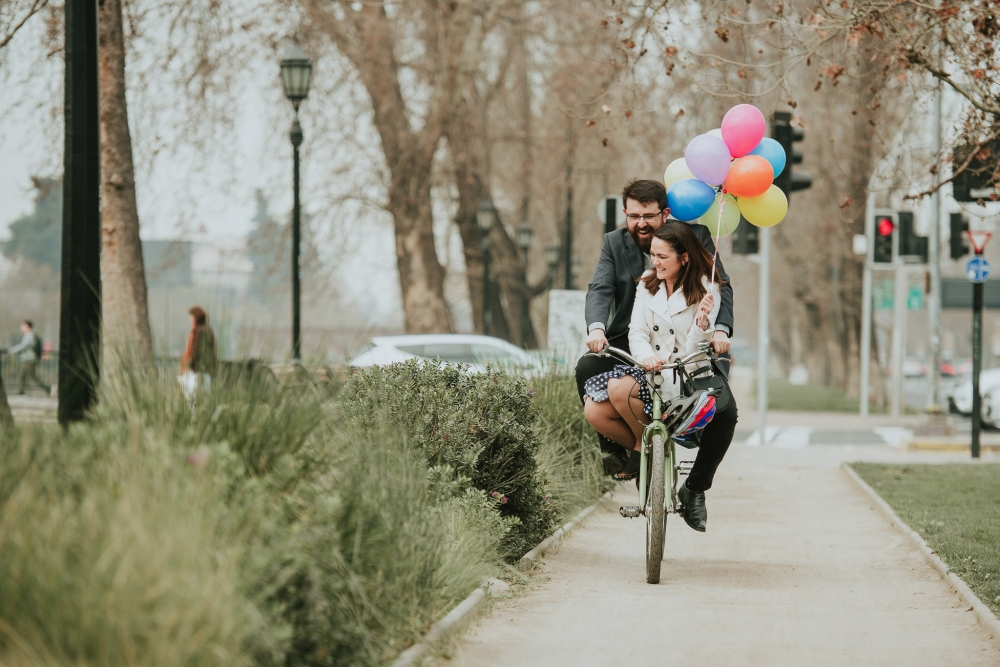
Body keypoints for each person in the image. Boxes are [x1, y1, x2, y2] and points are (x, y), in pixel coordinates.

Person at [583, 222, 738, 532]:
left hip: (689, 370)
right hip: (651, 370)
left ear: (684, 257)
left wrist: (703, 323)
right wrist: (647, 358)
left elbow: (697, 346)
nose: (655, 262)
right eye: (652, 255)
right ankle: (646, 450)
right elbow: (637, 331)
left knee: (727, 413)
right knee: (596, 408)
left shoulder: (709, 287)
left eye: (662, 256)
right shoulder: (647, 283)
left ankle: (694, 488)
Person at [576, 179, 734, 476]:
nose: (641, 223)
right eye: (634, 216)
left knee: (726, 412)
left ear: (666, 214)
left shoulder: (695, 236)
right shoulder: (614, 242)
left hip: (688, 340)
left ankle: (696, 487)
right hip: (632, 337)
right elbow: (600, 288)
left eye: (649, 216)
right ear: (625, 213)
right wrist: (596, 329)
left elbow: (720, 286)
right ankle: (614, 448)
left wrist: (720, 330)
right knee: (587, 368)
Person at [179, 306, 217, 396]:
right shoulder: (208, 330)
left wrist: (190, 364)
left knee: (192, 395)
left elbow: (196, 350)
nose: (190, 319)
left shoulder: (198, 331)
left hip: (197, 369)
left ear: (195, 317)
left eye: (191, 316)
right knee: (204, 395)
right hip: (207, 369)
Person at [8, 320, 51, 396]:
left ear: (27, 327)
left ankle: (47, 388)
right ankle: (21, 392)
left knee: (31, 377)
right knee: (23, 376)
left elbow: (23, 346)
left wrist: (11, 350)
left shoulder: (30, 336)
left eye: (22, 326)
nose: (21, 328)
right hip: (28, 360)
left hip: (29, 360)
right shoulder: (29, 336)